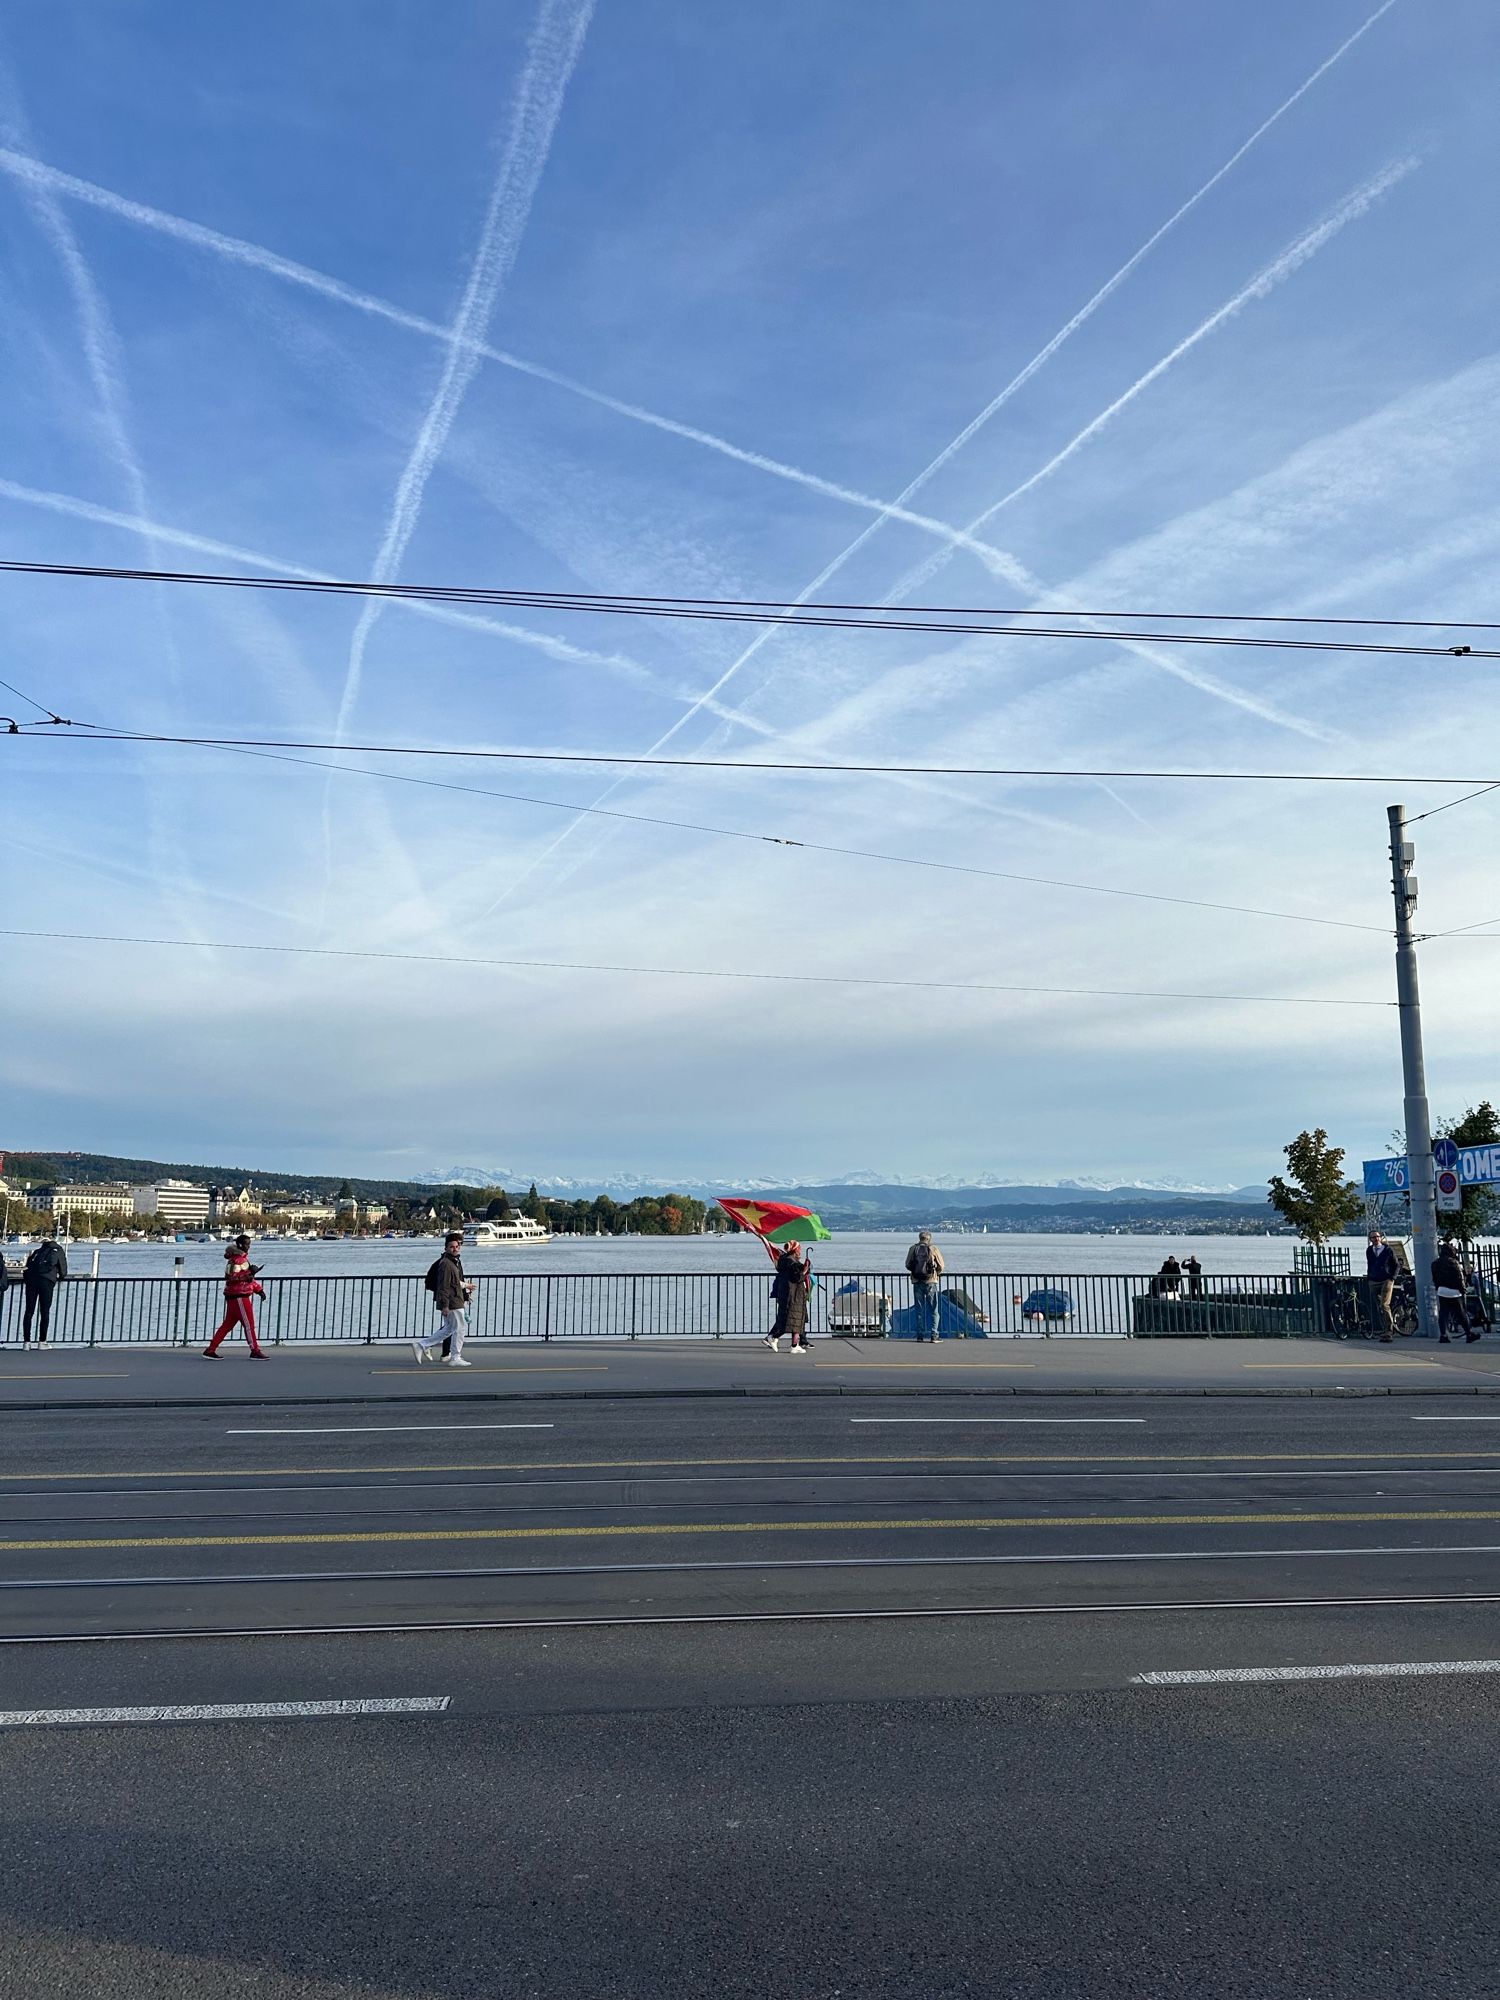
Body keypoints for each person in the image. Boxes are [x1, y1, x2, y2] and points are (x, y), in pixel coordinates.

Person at [204, 1235, 266, 1358]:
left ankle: (211, 1350)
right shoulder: (238, 1260)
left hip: (234, 1295)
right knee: (249, 1325)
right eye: (247, 1244)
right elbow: (231, 1278)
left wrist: (258, 1289)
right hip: (239, 1296)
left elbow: (242, 1278)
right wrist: (251, 1276)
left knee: (227, 1325)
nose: (249, 1246)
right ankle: (255, 1350)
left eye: (249, 1244)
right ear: (240, 1245)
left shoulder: (238, 1259)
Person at [417, 1231, 473, 1366]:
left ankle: (423, 1345)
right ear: (446, 1248)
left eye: (458, 1246)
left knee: (449, 1328)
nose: (456, 1248)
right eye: (452, 1246)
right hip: (452, 1300)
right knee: (459, 1328)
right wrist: (445, 1305)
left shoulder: (453, 1262)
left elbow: (455, 1282)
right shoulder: (447, 1263)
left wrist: (465, 1292)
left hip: (454, 1299)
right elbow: (444, 1285)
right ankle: (455, 1357)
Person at [765, 1240, 811, 1353]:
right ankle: (773, 1337)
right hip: (793, 1295)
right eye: (799, 1249)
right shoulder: (791, 1262)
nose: (800, 1251)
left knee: (796, 1320)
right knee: (790, 1320)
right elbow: (796, 1278)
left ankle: (795, 1345)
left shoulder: (784, 1260)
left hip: (790, 1294)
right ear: (795, 1250)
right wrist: (804, 1271)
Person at [22, 1235, 68, 1346]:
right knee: (44, 1311)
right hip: (47, 1281)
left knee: (29, 1311)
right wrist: (60, 1277)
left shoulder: (37, 1252)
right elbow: (63, 1270)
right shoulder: (58, 1250)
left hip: (32, 1281)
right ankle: (42, 1341)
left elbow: (28, 1266)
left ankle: (26, 1342)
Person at [904, 1230, 946, 1342]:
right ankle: (934, 1335)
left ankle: (920, 1335)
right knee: (934, 1309)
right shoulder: (933, 1249)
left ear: (919, 1238)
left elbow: (907, 1264)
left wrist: (917, 1272)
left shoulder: (913, 1249)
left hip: (917, 1282)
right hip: (931, 1282)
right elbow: (942, 1265)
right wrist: (935, 1272)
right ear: (929, 1239)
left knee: (919, 1309)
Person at [1433, 1240, 1477, 1345]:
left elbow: (1434, 1278)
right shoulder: (1454, 1263)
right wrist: (1463, 1290)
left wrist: (1438, 1287)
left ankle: (1443, 1335)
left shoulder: (1435, 1263)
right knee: (1461, 1313)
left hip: (1442, 1290)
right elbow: (1460, 1278)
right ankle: (1469, 1334)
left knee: (1443, 1314)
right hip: (1454, 1291)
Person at [1366, 1229, 1399, 1343]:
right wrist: (1369, 1277)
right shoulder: (1370, 1250)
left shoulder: (1387, 1249)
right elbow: (1370, 1264)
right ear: (1370, 1240)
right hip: (1374, 1279)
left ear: (1380, 1238)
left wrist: (1392, 1278)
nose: (1375, 1239)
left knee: (1384, 1304)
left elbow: (1396, 1264)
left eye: (1377, 1237)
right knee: (1377, 1305)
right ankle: (1382, 1328)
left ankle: (1389, 1331)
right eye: (1373, 1237)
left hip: (1386, 1279)